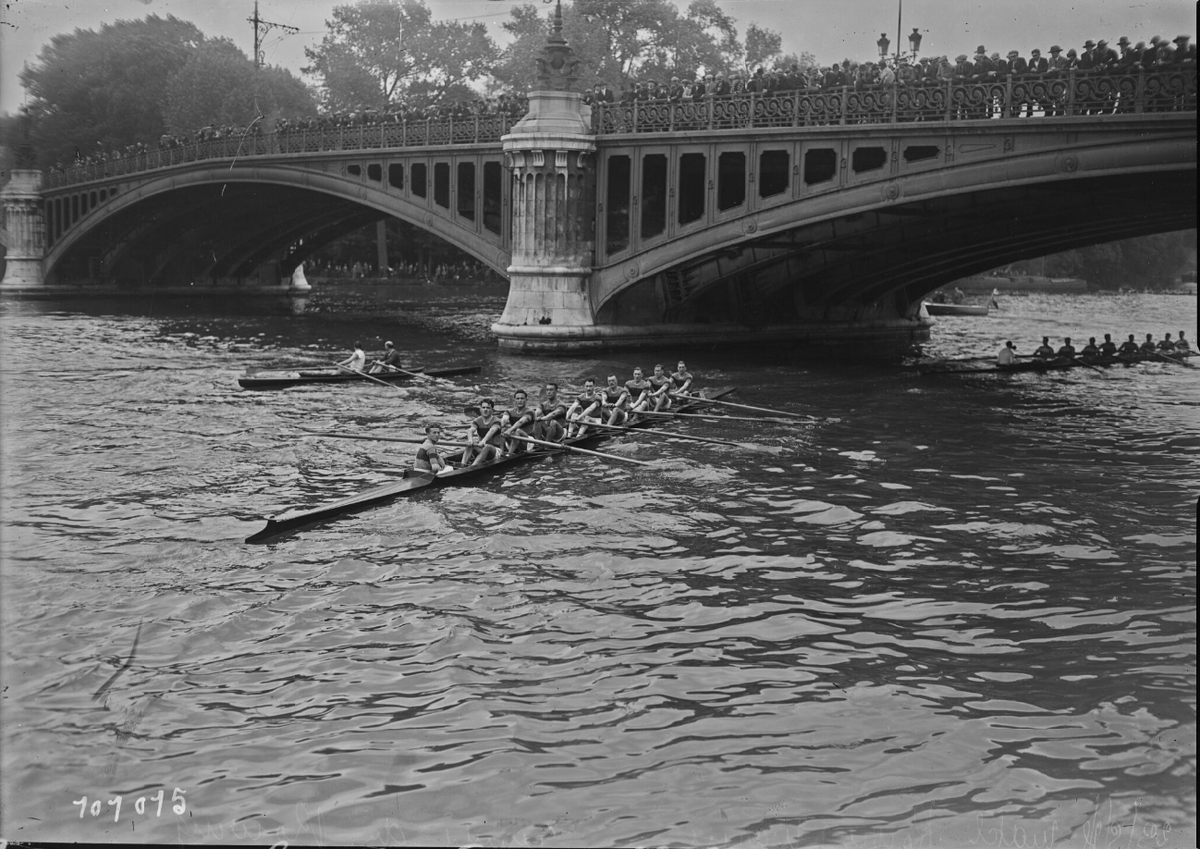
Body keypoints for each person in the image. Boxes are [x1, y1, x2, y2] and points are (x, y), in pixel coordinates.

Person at [461, 398, 504, 467]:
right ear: (480, 409)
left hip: (495, 451)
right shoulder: (477, 420)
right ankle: (462, 465)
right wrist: (470, 440)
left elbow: (492, 431)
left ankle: (472, 467)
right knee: (469, 445)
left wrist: (484, 440)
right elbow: (470, 430)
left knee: (487, 446)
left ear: (492, 410)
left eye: (488, 408)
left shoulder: (497, 421)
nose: (485, 410)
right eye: (483, 407)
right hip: (481, 448)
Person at [501, 390, 536, 455]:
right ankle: (501, 452)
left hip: (528, 441)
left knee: (517, 431)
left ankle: (509, 454)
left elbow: (521, 422)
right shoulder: (509, 411)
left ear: (526, 399)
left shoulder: (530, 411)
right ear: (514, 400)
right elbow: (503, 421)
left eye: (522, 398)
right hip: (515, 438)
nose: (520, 400)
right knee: (503, 429)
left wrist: (510, 430)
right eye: (518, 398)